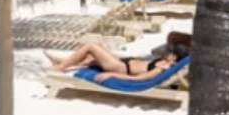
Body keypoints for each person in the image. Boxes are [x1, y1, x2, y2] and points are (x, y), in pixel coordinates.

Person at [46, 30, 190, 78]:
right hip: (125, 62)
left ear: (175, 57)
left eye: (171, 53)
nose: (168, 53)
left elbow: (140, 78)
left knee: (91, 46)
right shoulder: (167, 63)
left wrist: (112, 75)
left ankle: (60, 68)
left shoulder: (163, 68)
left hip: (121, 68)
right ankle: (61, 61)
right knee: (93, 56)